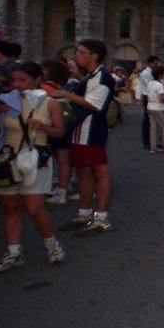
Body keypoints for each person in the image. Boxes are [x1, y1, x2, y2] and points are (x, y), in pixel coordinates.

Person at [0, 61, 67, 272]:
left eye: (23, 80)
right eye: (14, 80)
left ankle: (52, 245)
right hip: (8, 158)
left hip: (36, 158)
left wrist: (43, 127)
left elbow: (60, 132)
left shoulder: (50, 103)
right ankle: (13, 252)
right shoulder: (5, 101)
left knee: (34, 208)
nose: (18, 85)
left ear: (37, 79)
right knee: (10, 207)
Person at [49, 40, 115, 236]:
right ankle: (85, 213)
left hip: (91, 130)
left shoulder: (102, 76)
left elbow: (94, 104)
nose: (76, 55)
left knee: (99, 172)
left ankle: (101, 217)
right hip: (81, 129)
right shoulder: (93, 76)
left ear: (94, 56)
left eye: (81, 52)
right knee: (83, 172)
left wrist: (65, 95)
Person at [39, 58, 75, 205]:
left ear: (47, 70)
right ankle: (63, 190)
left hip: (51, 125)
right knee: (64, 160)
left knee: (49, 159)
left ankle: (52, 190)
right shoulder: (62, 86)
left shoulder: (44, 87)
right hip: (65, 124)